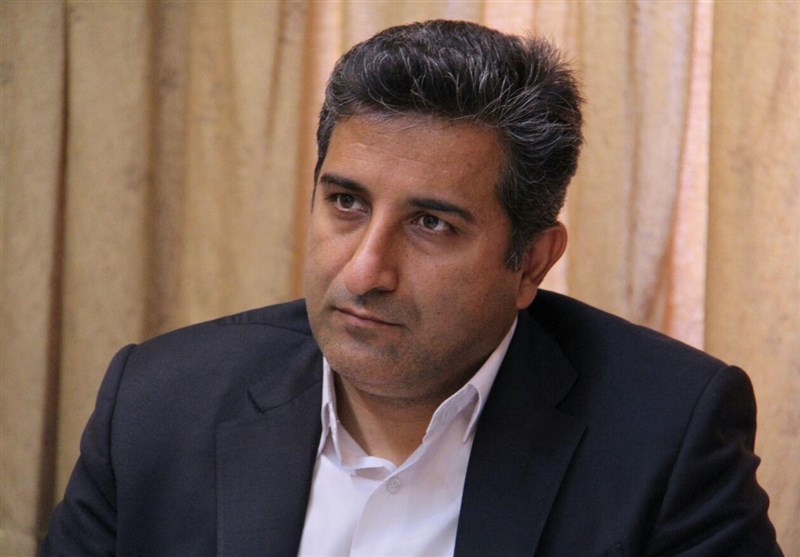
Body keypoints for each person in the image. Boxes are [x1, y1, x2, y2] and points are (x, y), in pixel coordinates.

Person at [41, 20, 781, 557]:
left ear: (532, 263)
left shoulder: (666, 436)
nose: (365, 272)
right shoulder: (157, 403)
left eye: (432, 223)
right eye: (346, 203)